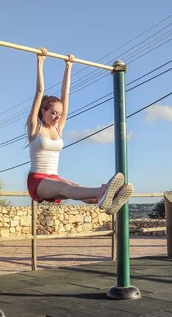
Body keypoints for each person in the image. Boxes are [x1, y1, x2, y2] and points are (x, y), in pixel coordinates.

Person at [26, 47, 134, 215]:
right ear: (43, 111)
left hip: (54, 178)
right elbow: (39, 91)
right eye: (53, 113)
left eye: (59, 114)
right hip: (38, 180)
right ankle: (105, 190)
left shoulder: (58, 128)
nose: (57, 117)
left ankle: (110, 199)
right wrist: (40, 62)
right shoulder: (34, 127)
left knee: (75, 187)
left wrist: (69, 66)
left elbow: (66, 93)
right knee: (66, 187)